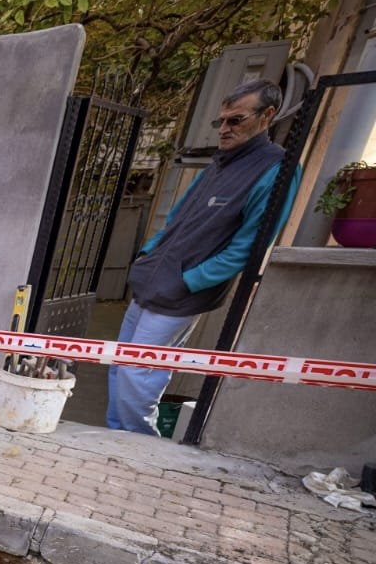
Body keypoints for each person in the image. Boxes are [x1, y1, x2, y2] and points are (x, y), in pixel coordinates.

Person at [106, 78, 301, 434]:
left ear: (267, 115)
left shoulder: (276, 169)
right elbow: (176, 219)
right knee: (120, 364)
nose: (224, 129)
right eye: (221, 121)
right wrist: (148, 256)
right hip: (153, 280)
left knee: (139, 372)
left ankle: (136, 444)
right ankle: (114, 437)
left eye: (236, 120)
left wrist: (189, 281)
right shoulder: (220, 162)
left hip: (181, 293)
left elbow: (249, 246)